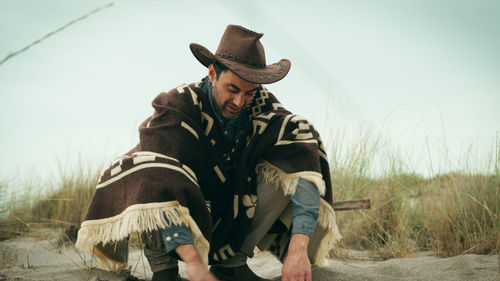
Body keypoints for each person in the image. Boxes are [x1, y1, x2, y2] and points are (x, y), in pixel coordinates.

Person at [76, 25, 341, 281]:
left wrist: (299, 247)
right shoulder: (176, 105)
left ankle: (231, 267)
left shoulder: (262, 105)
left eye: (249, 93)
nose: (240, 102)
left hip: (233, 211)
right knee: (148, 165)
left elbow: (302, 161)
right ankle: (164, 270)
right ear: (212, 73)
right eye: (232, 89)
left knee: (297, 135)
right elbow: (159, 182)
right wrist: (193, 263)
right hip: (185, 214)